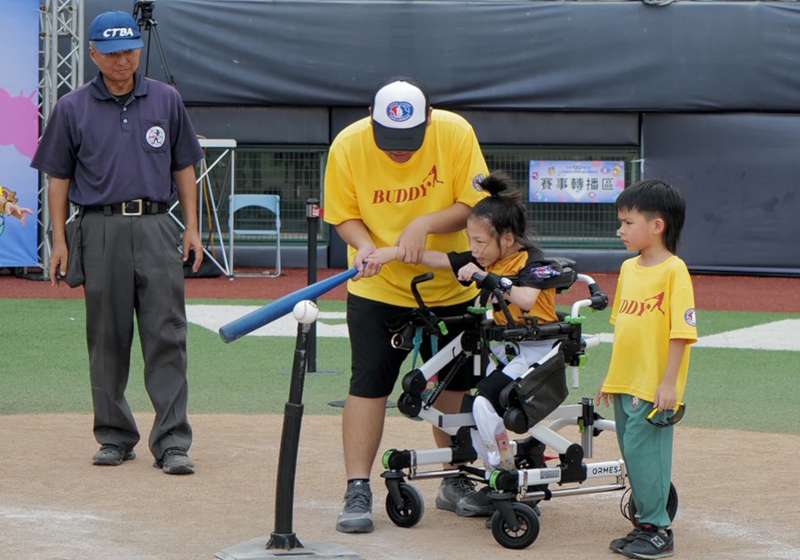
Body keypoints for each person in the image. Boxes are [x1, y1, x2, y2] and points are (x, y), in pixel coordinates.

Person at [30, 11, 204, 475]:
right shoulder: (71, 107)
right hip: (98, 227)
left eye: (128, 50)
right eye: (111, 52)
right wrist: (60, 239)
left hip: (155, 225)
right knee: (106, 337)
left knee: (167, 335)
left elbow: (184, 166)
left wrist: (192, 227)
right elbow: (58, 177)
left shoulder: (167, 100)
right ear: (93, 54)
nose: (122, 60)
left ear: (138, 50)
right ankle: (114, 435)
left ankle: (171, 443)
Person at [323, 78, 490, 533]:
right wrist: (365, 248)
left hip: (451, 283)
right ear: (373, 122)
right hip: (378, 289)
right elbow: (343, 214)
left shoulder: (455, 132)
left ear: (429, 120)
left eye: (409, 142)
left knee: (454, 388)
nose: (399, 152)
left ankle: (456, 479)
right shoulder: (349, 144)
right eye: (390, 142)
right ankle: (357, 487)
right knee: (369, 384)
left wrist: (424, 224)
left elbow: (474, 202)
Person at [366, 171, 561, 474]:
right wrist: (391, 253)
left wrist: (488, 278)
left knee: (484, 403)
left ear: (507, 239)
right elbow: (436, 259)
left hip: (539, 348)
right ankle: (501, 464)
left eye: (480, 241)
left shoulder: (536, 261)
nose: (474, 249)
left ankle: (501, 470)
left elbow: (525, 299)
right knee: (471, 410)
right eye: (471, 241)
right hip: (507, 350)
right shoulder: (486, 259)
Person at [595, 179, 697, 559]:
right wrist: (611, 379)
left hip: (655, 386)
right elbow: (624, 331)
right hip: (626, 381)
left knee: (645, 452)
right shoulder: (628, 268)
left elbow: (681, 333)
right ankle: (644, 524)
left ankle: (658, 529)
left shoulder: (675, 271)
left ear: (657, 226)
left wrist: (669, 383)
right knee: (631, 451)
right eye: (620, 222)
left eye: (627, 222)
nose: (620, 230)